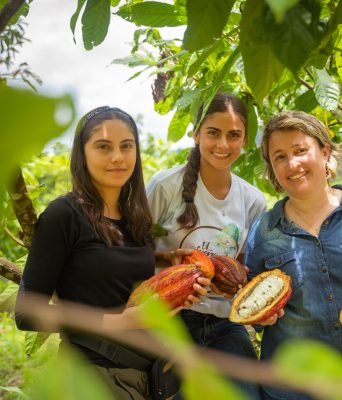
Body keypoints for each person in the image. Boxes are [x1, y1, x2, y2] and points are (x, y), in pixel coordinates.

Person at [14, 106, 210, 400]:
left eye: (126, 146)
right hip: (95, 376)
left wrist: (168, 268)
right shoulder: (63, 215)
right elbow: (26, 313)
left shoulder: (135, 217)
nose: (118, 157)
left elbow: (109, 269)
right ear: (83, 154)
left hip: (150, 376)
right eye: (104, 147)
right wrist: (121, 322)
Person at [245, 110, 342, 400]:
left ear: (324, 151)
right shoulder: (264, 231)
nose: (292, 164)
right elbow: (250, 300)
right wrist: (260, 318)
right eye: (279, 157)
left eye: (300, 150)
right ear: (272, 168)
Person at [147, 93, 267, 399]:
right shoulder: (165, 186)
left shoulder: (253, 201)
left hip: (225, 322)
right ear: (197, 133)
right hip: (170, 320)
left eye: (234, 135)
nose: (223, 145)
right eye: (213, 132)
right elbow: (127, 250)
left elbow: (243, 268)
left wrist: (238, 286)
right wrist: (166, 258)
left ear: (245, 140)